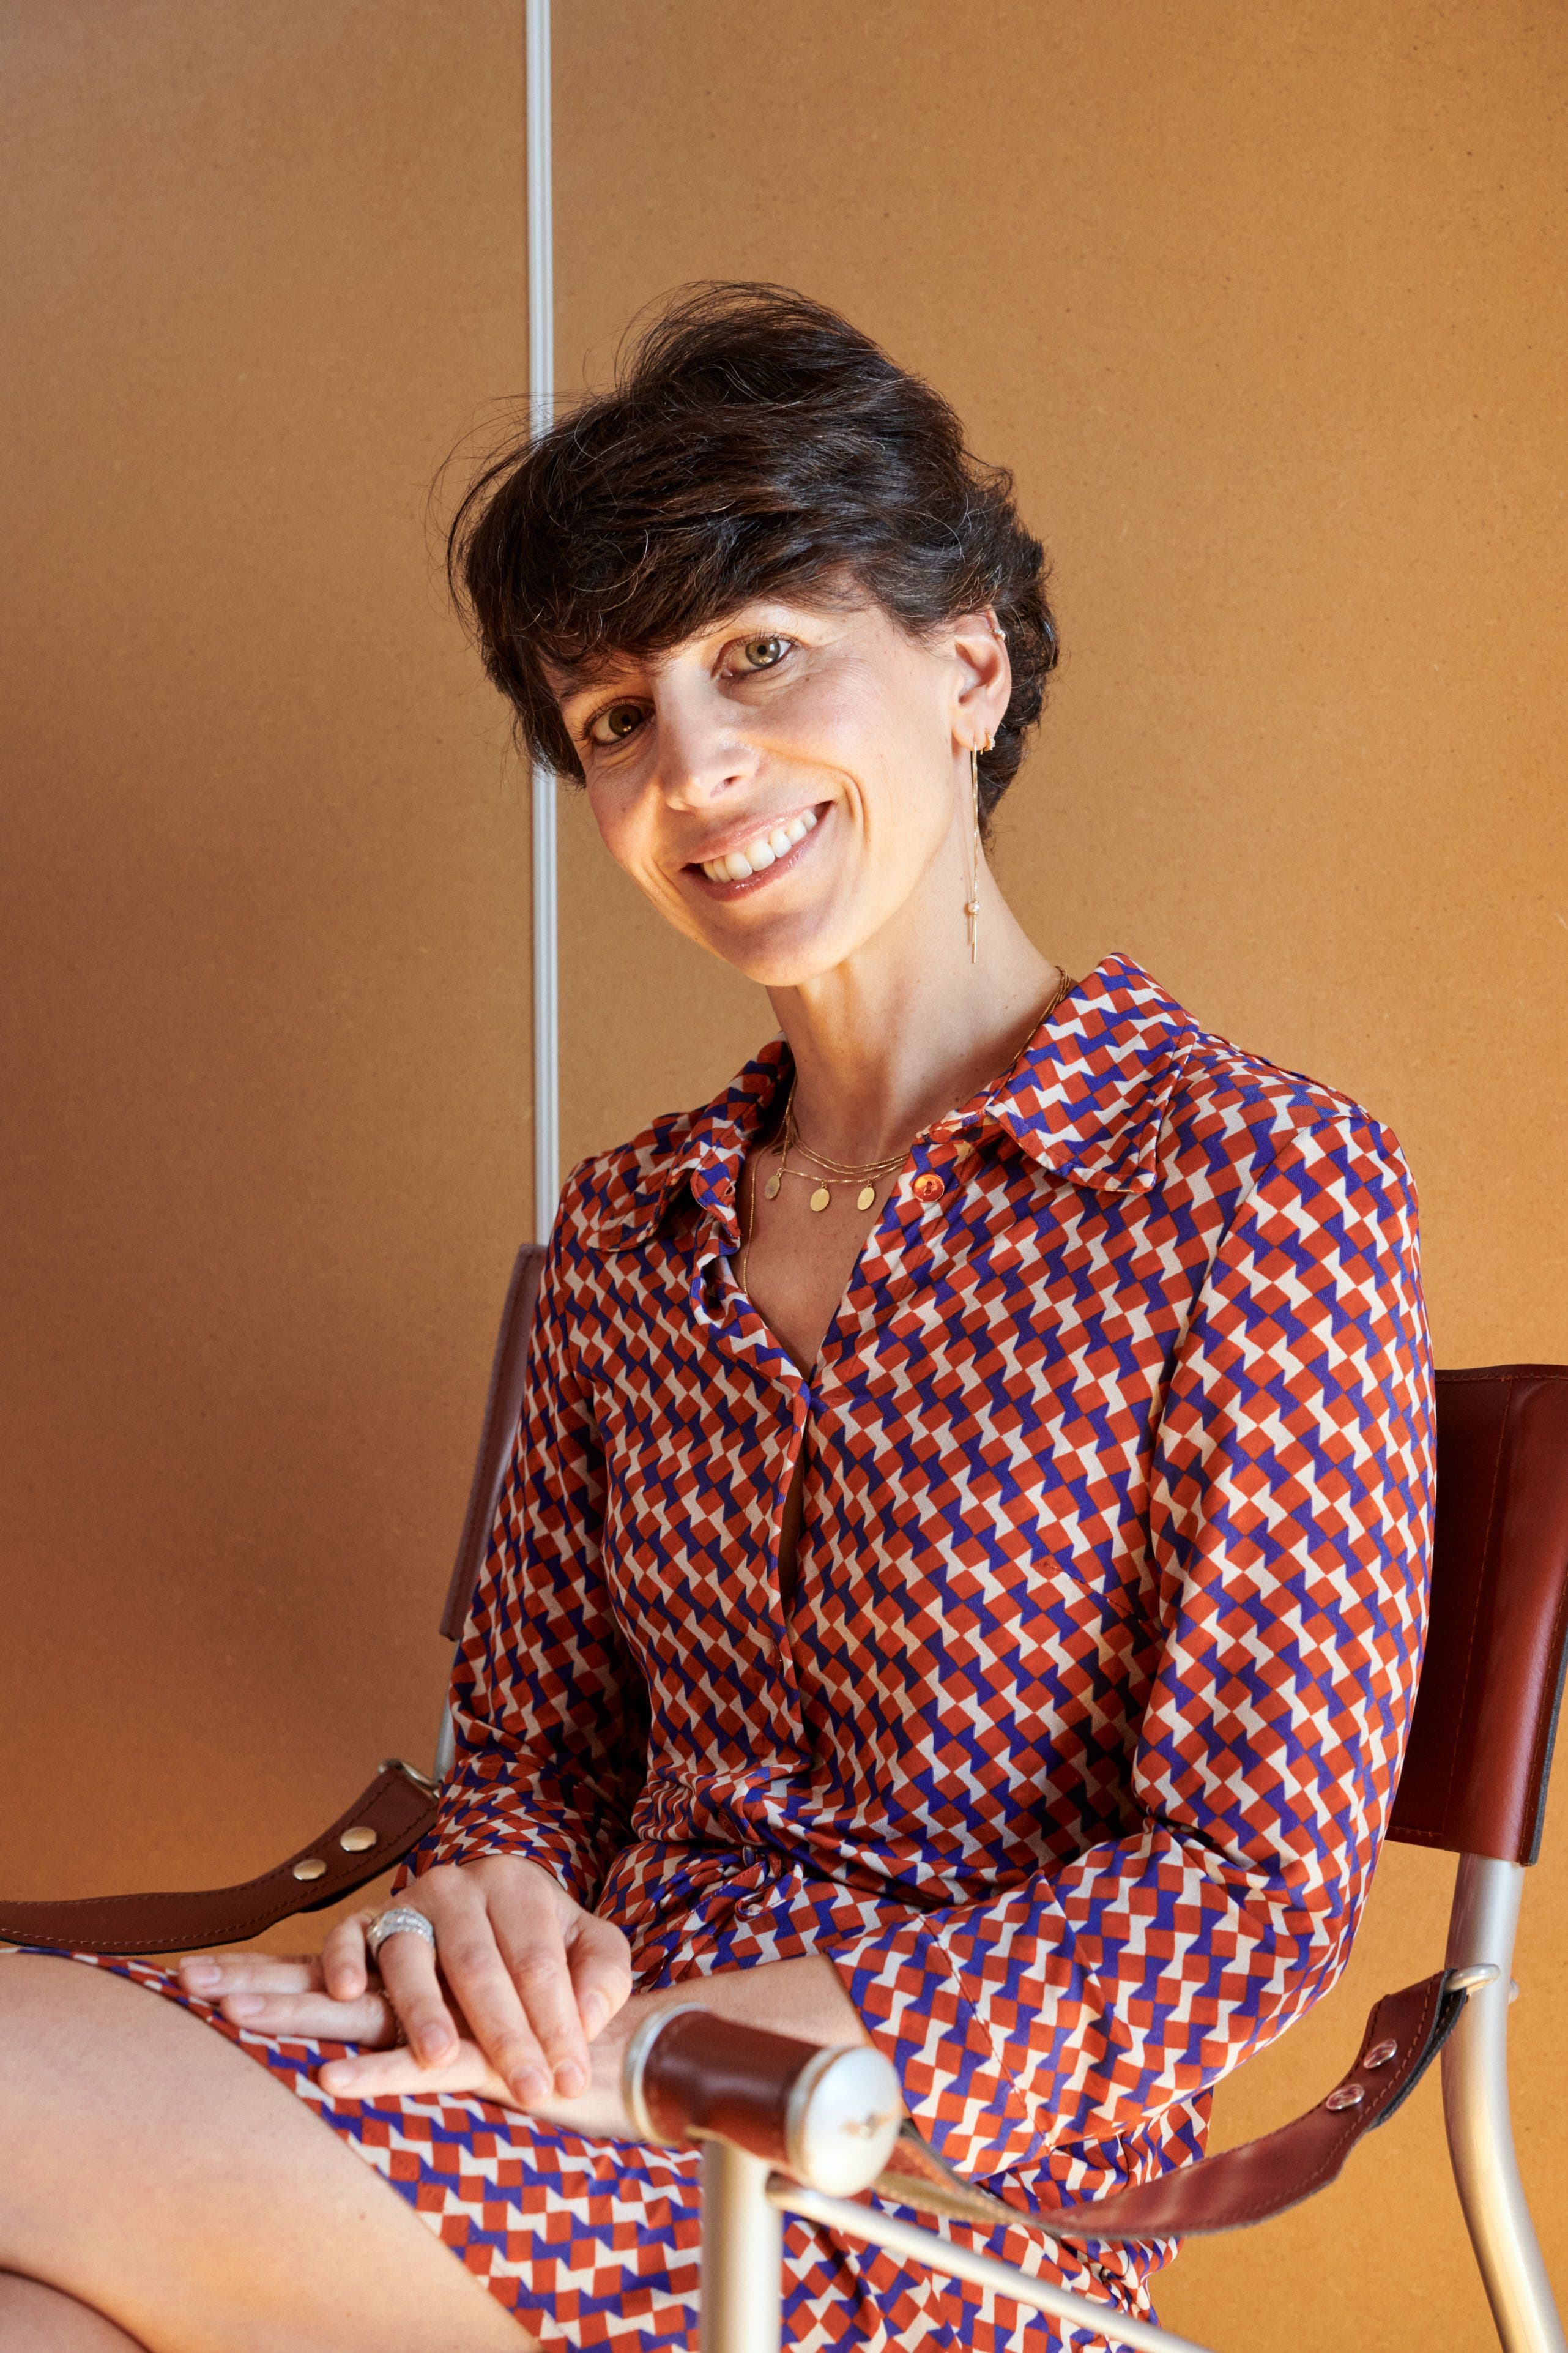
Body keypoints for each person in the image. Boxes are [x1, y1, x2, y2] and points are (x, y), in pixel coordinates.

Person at [0, 286, 1434, 2352]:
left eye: (758, 654)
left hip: (919, 2198)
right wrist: (486, 1901)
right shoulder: (627, 1230)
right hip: (545, 2109)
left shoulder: (1253, 1184)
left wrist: (674, 2055)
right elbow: (530, 1763)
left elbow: (1241, 1900)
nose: (693, 767)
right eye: (614, 718)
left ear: (965, 664)